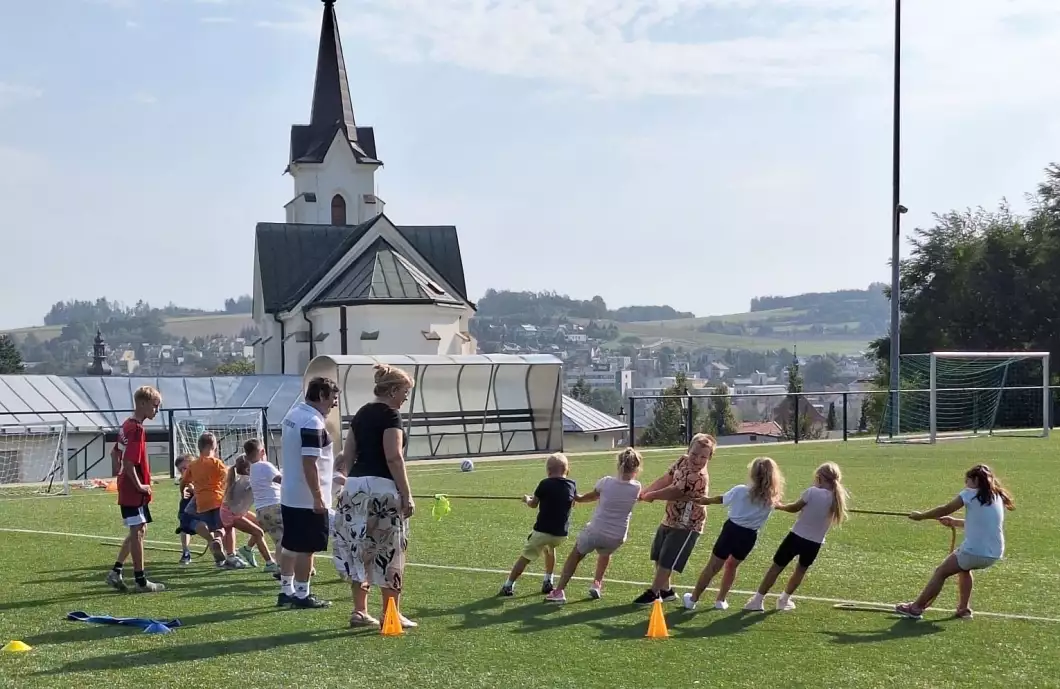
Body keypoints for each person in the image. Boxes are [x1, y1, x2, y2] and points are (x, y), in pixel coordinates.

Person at [333, 364, 417, 628]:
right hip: (382, 491)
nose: (405, 397)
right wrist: (407, 494)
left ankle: (359, 611)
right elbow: (394, 456)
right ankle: (390, 613)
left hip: (355, 487)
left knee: (359, 548)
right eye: (404, 392)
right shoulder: (391, 416)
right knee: (390, 551)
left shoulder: (360, 414)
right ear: (392, 390)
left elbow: (346, 457)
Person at [896, 464, 1015, 620]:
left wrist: (921, 516)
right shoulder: (996, 496)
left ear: (975, 480)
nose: (965, 484)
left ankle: (916, 608)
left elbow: (945, 508)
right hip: (994, 553)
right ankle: (964, 609)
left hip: (974, 551)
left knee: (941, 572)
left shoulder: (970, 493)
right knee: (964, 569)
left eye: (967, 480)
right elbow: (982, 522)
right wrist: (955, 522)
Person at [683, 456, 785, 611]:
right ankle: (721, 600)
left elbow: (721, 499)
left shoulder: (740, 490)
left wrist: (705, 500)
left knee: (712, 566)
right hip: (749, 536)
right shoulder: (771, 499)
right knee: (732, 566)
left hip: (731, 531)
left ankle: (693, 599)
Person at [744, 461, 848, 612]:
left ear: (819, 478)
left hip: (796, 536)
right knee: (800, 571)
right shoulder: (837, 499)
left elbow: (794, 508)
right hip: (815, 543)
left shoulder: (812, 492)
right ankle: (784, 600)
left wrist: (780, 506)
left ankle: (758, 600)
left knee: (776, 567)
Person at [545, 448, 643, 604]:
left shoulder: (606, 482)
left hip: (596, 531)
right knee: (605, 553)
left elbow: (588, 497)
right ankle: (597, 583)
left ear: (618, 465)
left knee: (576, 554)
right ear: (637, 468)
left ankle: (559, 591)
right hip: (617, 536)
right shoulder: (637, 487)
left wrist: (574, 497)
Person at [276, 376, 341, 609]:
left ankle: (286, 591)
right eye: (333, 398)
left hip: (290, 493)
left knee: (291, 544)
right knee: (307, 547)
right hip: (306, 497)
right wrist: (317, 496)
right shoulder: (312, 422)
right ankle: (302, 595)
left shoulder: (293, 415)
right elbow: (310, 462)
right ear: (322, 395)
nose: (334, 404)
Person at [635, 433, 716, 606]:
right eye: (694, 454)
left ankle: (653, 593)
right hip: (670, 516)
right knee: (658, 554)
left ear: (709, 457)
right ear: (689, 450)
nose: (697, 459)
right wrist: (645, 493)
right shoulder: (682, 460)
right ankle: (666, 591)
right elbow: (667, 478)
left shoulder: (699, 477)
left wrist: (652, 495)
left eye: (703, 456)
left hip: (687, 523)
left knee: (667, 559)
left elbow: (675, 491)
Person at [106, 385, 165, 593]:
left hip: (128, 486)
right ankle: (141, 581)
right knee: (138, 531)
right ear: (142, 403)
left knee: (140, 529)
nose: (156, 410)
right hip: (133, 490)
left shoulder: (126, 425)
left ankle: (116, 571)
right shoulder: (137, 429)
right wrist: (139, 484)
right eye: (155, 406)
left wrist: (117, 470)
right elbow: (130, 462)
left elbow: (115, 453)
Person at [499, 453, 577, 598]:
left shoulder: (544, 484)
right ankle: (548, 580)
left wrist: (527, 499)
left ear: (548, 471)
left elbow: (533, 504)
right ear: (567, 470)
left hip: (542, 531)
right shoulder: (572, 484)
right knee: (550, 547)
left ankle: (508, 585)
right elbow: (573, 501)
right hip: (560, 534)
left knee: (525, 557)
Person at [185, 432, 241, 568]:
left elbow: (185, 480)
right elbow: (228, 477)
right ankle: (229, 552)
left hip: (202, 503)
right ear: (214, 446)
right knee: (224, 526)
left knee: (210, 525)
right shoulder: (217, 462)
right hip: (217, 500)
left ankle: (217, 556)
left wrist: (184, 490)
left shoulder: (193, 465)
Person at [221, 454, 278, 573]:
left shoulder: (245, 479)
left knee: (262, 524)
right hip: (231, 513)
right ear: (248, 470)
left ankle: (247, 549)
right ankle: (269, 563)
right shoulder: (248, 480)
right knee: (258, 532)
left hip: (235, 511)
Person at [246, 438, 284, 554]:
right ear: (262, 452)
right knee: (288, 539)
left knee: (279, 540)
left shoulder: (251, 469)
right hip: (275, 506)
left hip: (261, 511)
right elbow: (280, 480)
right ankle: (291, 567)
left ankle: (280, 568)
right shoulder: (265, 465)